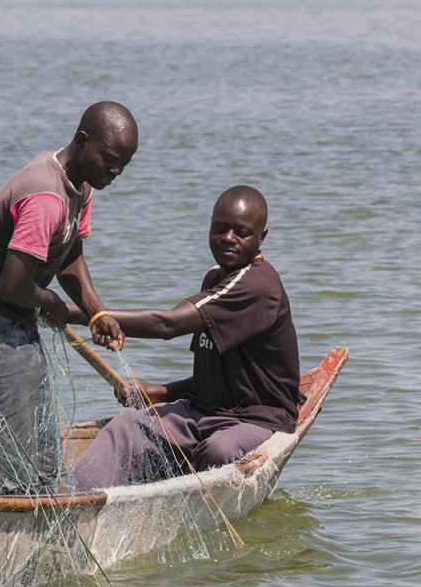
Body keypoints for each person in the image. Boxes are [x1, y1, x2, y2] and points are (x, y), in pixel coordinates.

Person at [0, 102, 138, 494]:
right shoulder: (46, 196)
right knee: (4, 465)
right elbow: (13, 286)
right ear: (83, 141)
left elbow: (68, 256)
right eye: (111, 161)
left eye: (123, 166)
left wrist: (97, 313)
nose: (115, 173)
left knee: (41, 460)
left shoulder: (81, 184)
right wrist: (52, 305)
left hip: (13, 321)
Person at [70, 185, 300, 489]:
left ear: (261, 237)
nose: (228, 238)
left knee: (220, 451)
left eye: (241, 232)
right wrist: (162, 393)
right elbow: (211, 378)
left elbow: (168, 324)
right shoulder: (214, 279)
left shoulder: (258, 286)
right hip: (202, 411)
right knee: (127, 426)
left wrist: (82, 314)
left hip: (256, 420)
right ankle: (78, 501)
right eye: (220, 228)